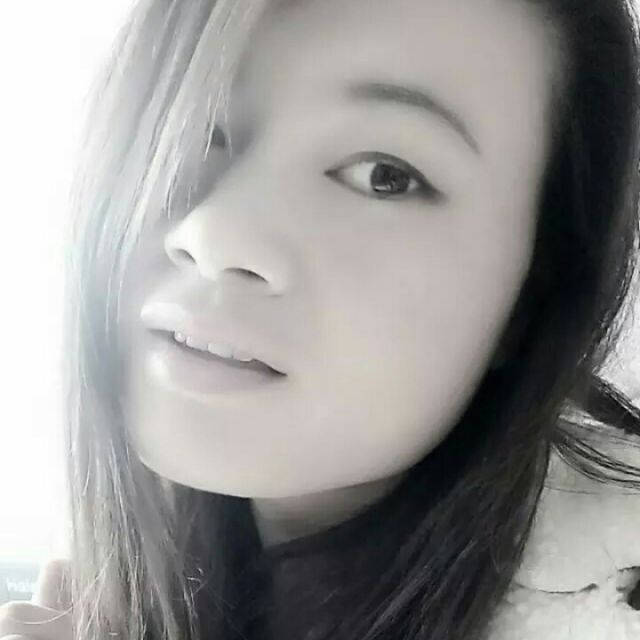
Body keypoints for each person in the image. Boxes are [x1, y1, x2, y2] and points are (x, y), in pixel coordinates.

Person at [1, 0, 640, 638]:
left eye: (385, 176)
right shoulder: (115, 577)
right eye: (189, 126)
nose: (216, 236)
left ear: (533, 296)